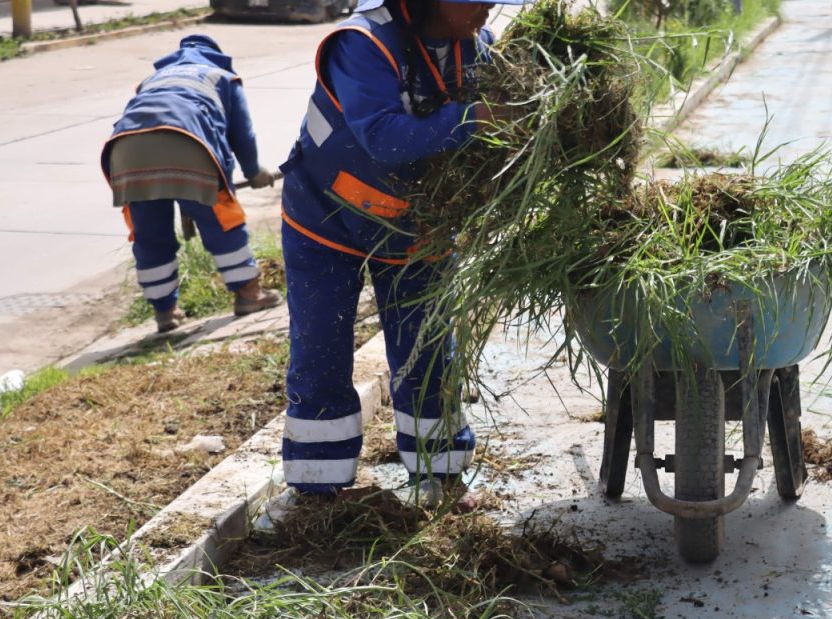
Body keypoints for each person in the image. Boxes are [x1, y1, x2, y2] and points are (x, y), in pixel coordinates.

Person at [278, 0, 522, 500]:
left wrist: (475, 211)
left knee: (427, 350)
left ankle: (440, 475)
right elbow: (383, 138)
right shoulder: (362, 43)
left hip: (415, 229)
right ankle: (317, 492)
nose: (490, 8)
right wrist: (473, 119)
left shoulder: (476, 48)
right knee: (320, 345)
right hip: (326, 217)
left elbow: (484, 157)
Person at [102, 35, 282, 333]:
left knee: (149, 235)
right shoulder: (222, 76)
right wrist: (254, 172)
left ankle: (165, 312)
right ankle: (250, 294)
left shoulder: (152, 80)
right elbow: (242, 136)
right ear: (217, 56)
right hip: (189, 144)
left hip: (125, 153)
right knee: (223, 220)